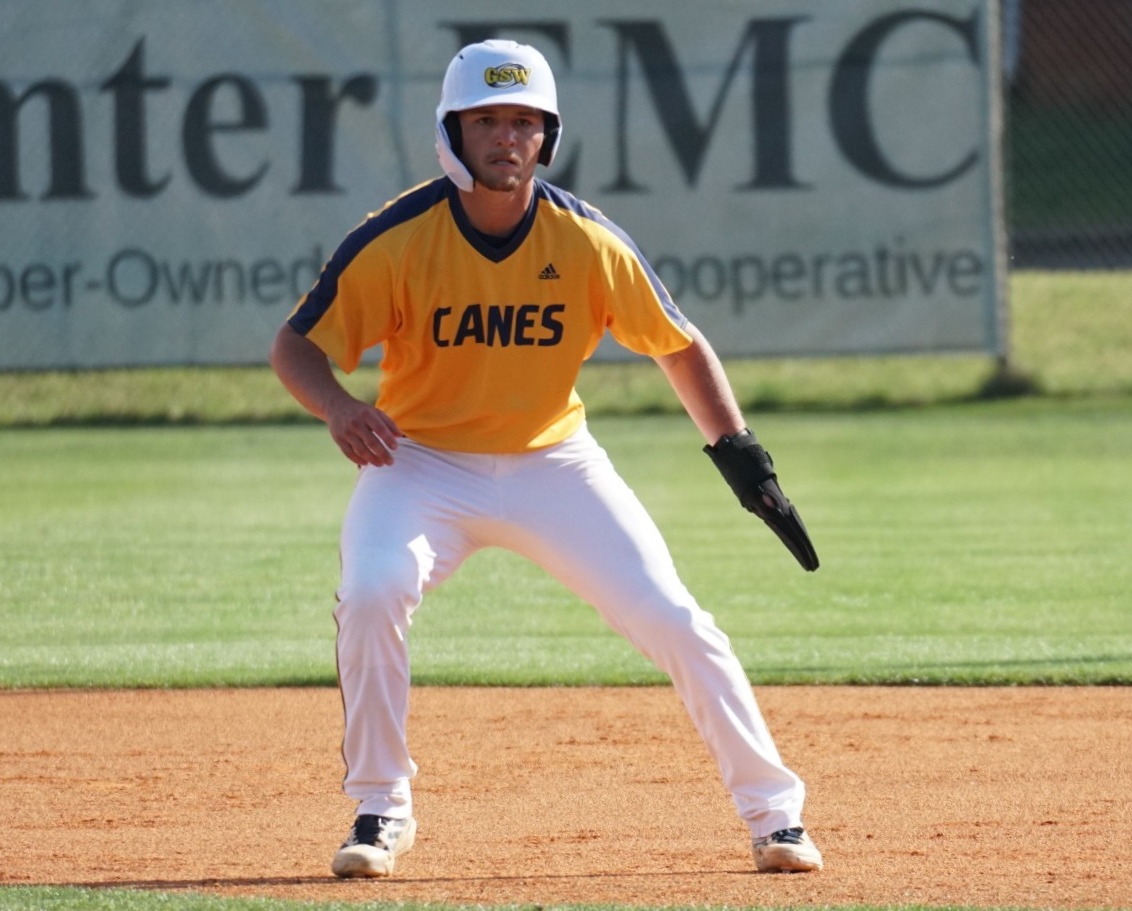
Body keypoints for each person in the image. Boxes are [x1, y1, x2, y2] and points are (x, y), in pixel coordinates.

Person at [270, 38, 823, 879]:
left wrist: (740, 455)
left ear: (547, 136)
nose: (506, 138)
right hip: (420, 464)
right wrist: (341, 407)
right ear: (450, 132)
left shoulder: (586, 240)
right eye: (486, 120)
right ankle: (381, 806)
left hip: (555, 463)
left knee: (674, 618)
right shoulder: (397, 238)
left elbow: (678, 345)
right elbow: (296, 345)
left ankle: (775, 817)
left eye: (524, 121)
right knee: (372, 590)